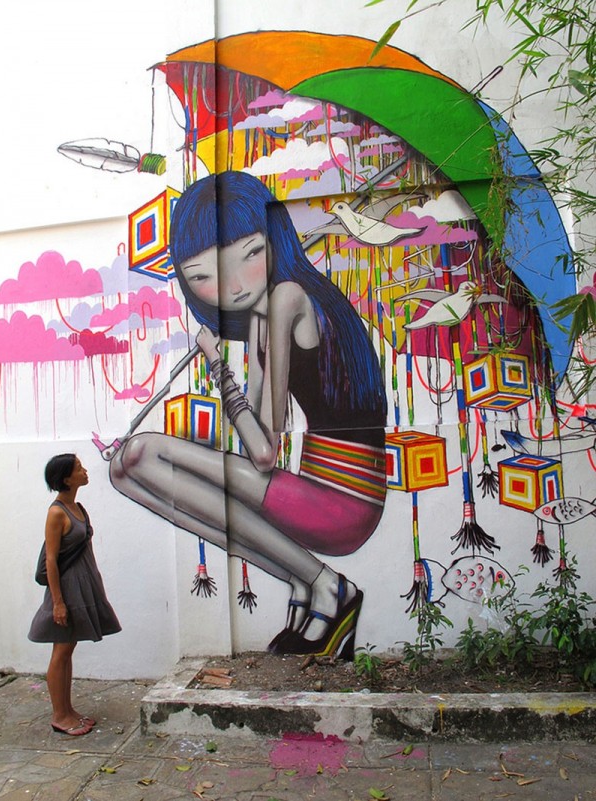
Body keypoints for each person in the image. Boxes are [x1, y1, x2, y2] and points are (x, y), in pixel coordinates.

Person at [110, 170, 386, 658]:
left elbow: (262, 454)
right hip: (314, 490)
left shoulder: (287, 298)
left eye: (251, 255)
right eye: (203, 277)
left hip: (344, 502)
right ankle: (305, 582)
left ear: (275, 241)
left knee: (142, 453)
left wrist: (218, 366)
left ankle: (325, 583)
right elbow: (257, 435)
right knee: (122, 471)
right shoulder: (261, 318)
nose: (234, 287)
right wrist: (232, 369)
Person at [29, 454, 121, 736]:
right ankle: (59, 716)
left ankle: (68, 711)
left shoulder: (77, 508)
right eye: (79, 468)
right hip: (66, 591)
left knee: (68, 650)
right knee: (61, 652)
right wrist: (58, 602)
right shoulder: (57, 513)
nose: (85, 471)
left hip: (81, 587)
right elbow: (51, 560)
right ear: (67, 479)